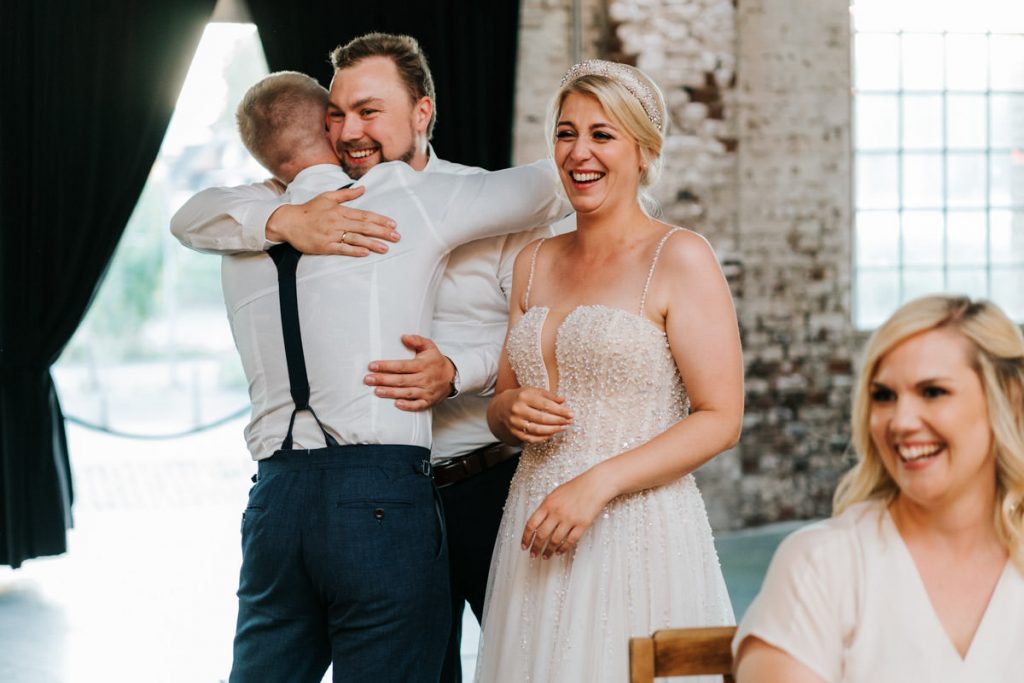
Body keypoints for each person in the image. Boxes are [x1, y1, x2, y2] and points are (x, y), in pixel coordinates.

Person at [171, 34, 567, 682]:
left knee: (527, 664)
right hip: (390, 493)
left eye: (368, 111)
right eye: (338, 113)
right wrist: (285, 220)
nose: (350, 129)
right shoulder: (281, 208)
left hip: (479, 486)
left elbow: (543, 339)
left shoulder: (466, 196)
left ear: (422, 113)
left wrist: (458, 369)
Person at [475, 59, 741, 682]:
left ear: (644, 152)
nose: (579, 153)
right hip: (536, 527)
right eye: (566, 134)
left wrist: (597, 484)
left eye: (602, 134)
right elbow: (504, 405)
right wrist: (504, 412)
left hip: (638, 530)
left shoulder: (679, 257)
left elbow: (721, 418)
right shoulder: (532, 260)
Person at [733, 294, 1024, 682]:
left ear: (1009, 398)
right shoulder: (822, 565)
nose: (901, 422)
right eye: (884, 396)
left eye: (933, 391)